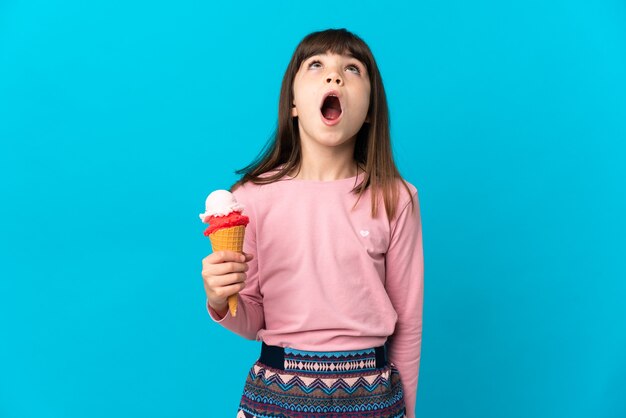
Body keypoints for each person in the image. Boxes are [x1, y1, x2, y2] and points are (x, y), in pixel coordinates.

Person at [201, 28, 424, 418]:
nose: (334, 76)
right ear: (293, 103)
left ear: (371, 108)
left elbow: (408, 326)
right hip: (276, 393)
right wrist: (220, 300)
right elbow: (253, 317)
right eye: (316, 65)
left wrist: (408, 414)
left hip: (372, 397)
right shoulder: (251, 198)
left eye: (352, 69)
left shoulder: (396, 198)